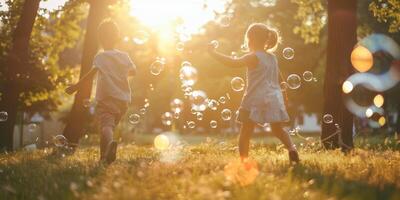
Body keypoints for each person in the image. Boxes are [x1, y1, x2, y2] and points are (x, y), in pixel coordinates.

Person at [208, 23, 299, 163]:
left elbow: (232, 63)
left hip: (254, 98)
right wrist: (284, 94)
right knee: (278, 129)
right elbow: (280, 78)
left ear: (250, 39)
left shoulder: (253, 57)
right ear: (266, 40)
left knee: (245, 132)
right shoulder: (272, 58)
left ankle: (244, 160)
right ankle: (292, 149)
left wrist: (213, 53)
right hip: (273, 97)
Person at [66, 19, 136, 164]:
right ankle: (104, 157)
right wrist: (119, 73)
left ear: (100, 38)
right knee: (108, 127)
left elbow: (90, 76)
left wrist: (75, 87)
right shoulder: (124, 56)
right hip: (123, 100)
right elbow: (133, 72)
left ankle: (109, 148)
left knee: (106, 126)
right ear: (117, 37)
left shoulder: (100, 57)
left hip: (107, 99)